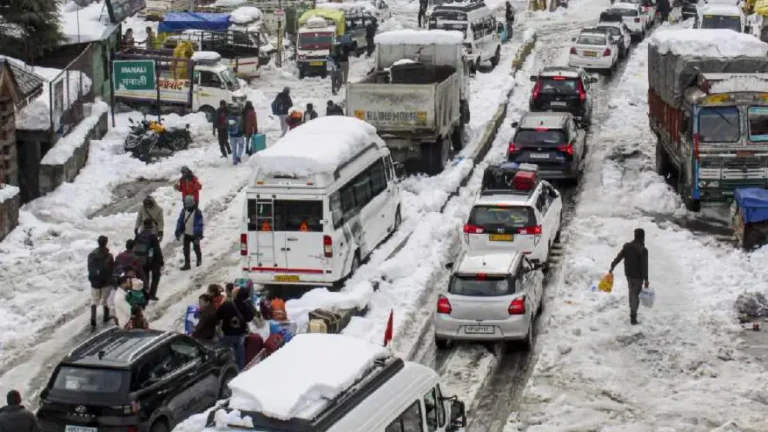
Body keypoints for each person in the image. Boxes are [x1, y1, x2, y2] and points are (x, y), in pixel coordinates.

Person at [609, 228, 649, 325]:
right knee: (635, 295)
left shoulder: (627, 246)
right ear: (642, 237)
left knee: (631, 291)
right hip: (638, 277)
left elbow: (619, 257)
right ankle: (633, 315)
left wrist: (613, 265)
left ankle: (631, 308)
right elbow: (644, 265)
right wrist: (646, 279)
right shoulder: (643, 250)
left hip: (628, 275)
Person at [217, 286, 256, 370]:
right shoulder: (246, 306)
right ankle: (240, 373)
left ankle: (230, 372)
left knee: (228, 357)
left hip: (227, 335)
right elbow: (249, 318)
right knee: (240, 357)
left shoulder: (227, 304)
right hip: (240, 335)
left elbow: (218, 316)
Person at [87, 235, 114, 329]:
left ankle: (93, 319)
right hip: (106, 282)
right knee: (105, 301)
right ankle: (106, 317)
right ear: (106, 242)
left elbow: (90, 268)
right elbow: (112, 269)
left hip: (95, 282)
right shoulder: (109, 255)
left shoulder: (91, 255)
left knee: (94, 300)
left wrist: (92, 279)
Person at [134, 219, 164, 301]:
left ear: (143, 226)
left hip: (142, 260)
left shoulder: (138, 236)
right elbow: (157, 250)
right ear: (151, 226)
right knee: (156, 276)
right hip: (153, 260)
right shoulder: (153, 236)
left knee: (145, 277)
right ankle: (152, 294)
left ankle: (145, 294)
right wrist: (161, 261)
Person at [175, 195, 204, 270]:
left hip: (195, 234)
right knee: (186, 250)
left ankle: (199, 260)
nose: (188, 207)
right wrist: (178, 231)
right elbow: (180, 221)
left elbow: (199, 224)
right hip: (187, 233)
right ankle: (187, 264)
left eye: (189, 205)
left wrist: (197, 234)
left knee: (196, 248)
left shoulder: (197, 212)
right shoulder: (183, 211)